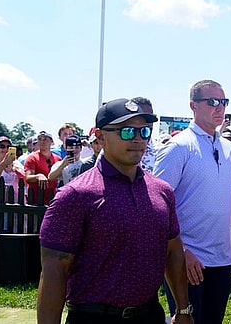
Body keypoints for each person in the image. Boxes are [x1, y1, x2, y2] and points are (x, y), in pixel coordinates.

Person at [37, 98, 192, 324]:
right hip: (94, 318)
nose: (138, 139)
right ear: (100, 137)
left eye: (144, 132)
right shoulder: (76, 195)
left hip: (150, 315)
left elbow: (173, 252)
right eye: (127, 132)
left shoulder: (162, 191)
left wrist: (183, 309)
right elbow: (54, 271)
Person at [154, 79, 231, 324]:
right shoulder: (178, 147)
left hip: (221, 259)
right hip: (187, 259)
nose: (219, 107)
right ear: (193, 105)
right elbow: (158, 205)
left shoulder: (230, 149)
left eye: (223, 102)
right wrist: (182, 251)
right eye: (212, 101)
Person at [23, 131, 61, 205]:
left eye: (45, 139)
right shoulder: (32, 158)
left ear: (52, 142)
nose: (42, 142)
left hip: (53, 198)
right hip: (36, 200)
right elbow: (28, 178)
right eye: (40, 139)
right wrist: (38, 176)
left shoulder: (58, 159)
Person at [0, 136, 25, 201]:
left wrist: (19, 171)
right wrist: (3, 164)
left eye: (8, 147)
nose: (6, 149)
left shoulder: (16, 163)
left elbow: (25, 180)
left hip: (15, 201)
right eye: (2, 146)